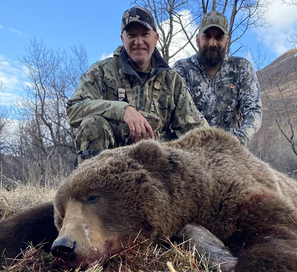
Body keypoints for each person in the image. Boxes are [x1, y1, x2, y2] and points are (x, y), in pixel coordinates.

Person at [67, 6, 208, 164]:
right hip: (110, 165)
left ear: (155, 38)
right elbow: (74, 108)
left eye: (144, 34)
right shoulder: (101, 71)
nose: (138, 42)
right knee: (92, 126)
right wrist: (122, 110)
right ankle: (92, 188)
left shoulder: (172, 80)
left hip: (157, 167)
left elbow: (196, 127)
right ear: (123, 39)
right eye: (132, 35)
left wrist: (225, 144)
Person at [174, 11, 262, 145]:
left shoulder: (241, 68)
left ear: (227, 41)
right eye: (207, 36)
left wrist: (238, 139)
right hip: (191, 150)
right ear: (197, 39)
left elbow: (254, 111)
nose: (212, 43)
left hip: (230, 151)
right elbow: (179, 113)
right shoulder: (182, 69)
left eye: (219, 37)